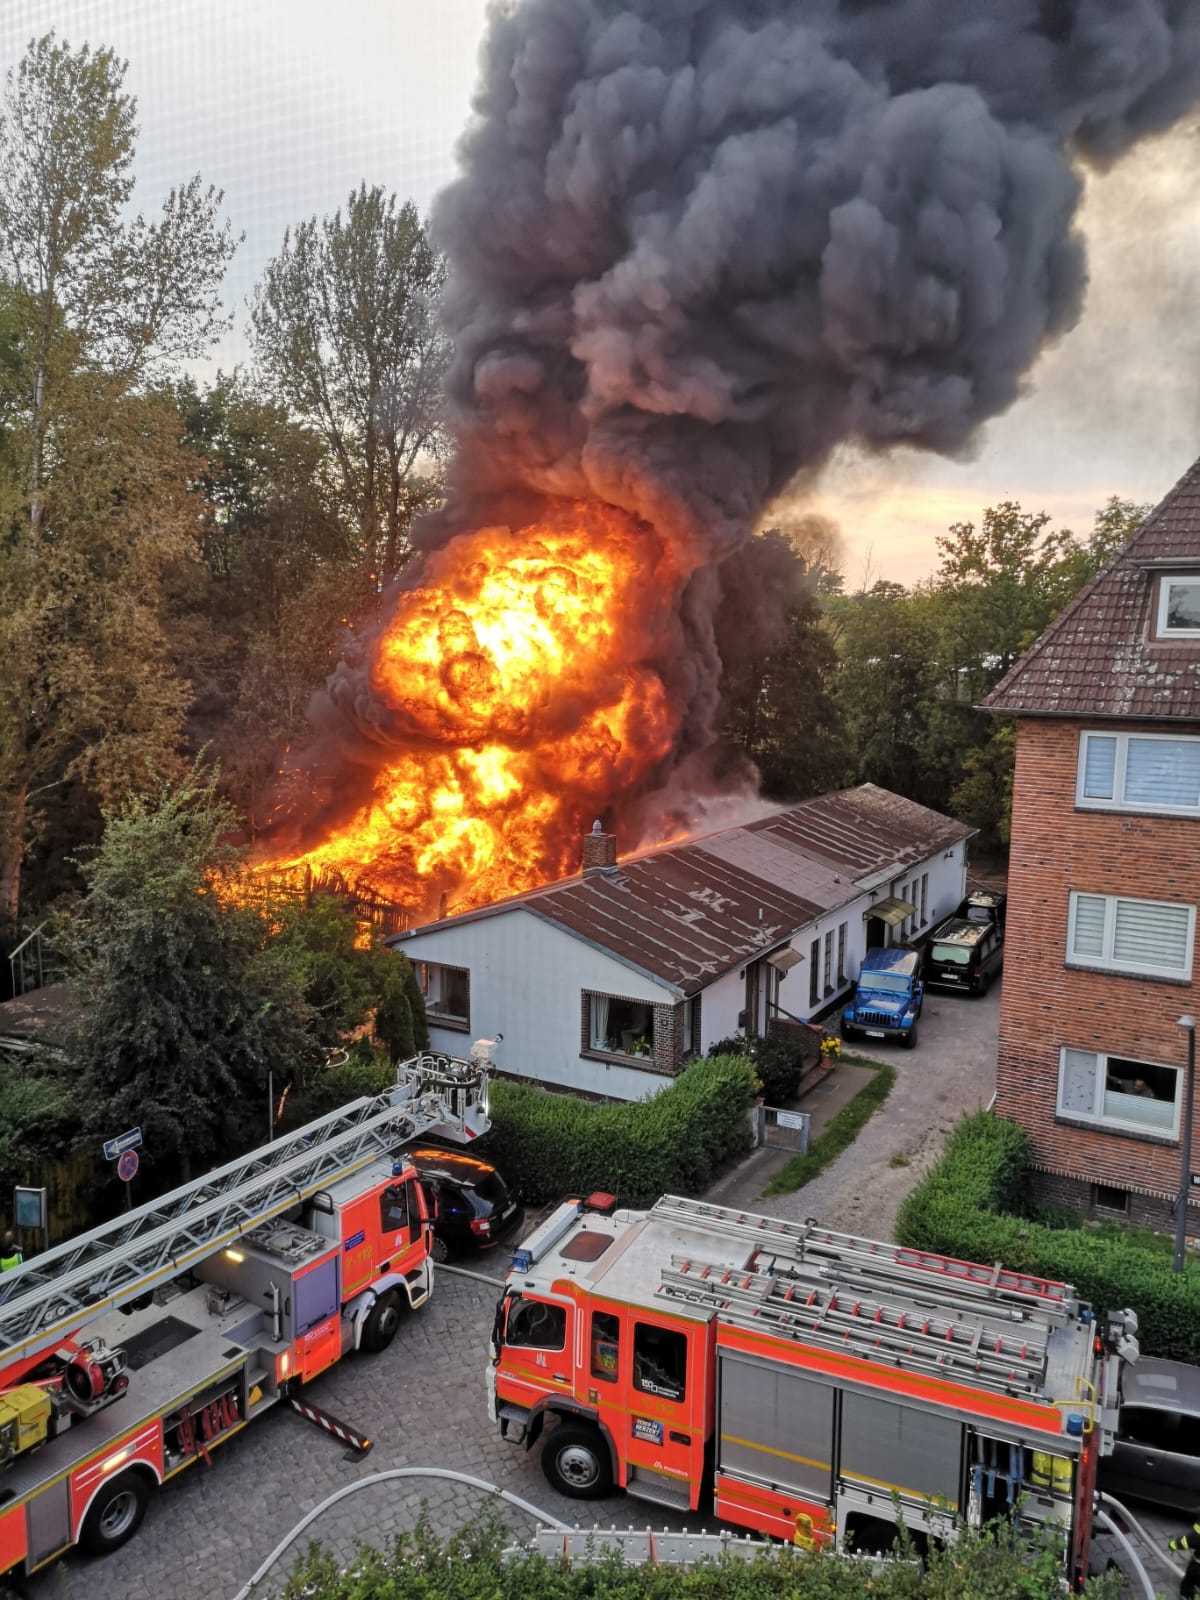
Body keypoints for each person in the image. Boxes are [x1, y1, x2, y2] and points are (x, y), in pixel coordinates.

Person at [1169, 1524, 1200, 1599]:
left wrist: (1174, 1544)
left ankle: (1185, 1595)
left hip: (1197, 1567)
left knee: (1188, 1580)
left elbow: (1190, 1540)